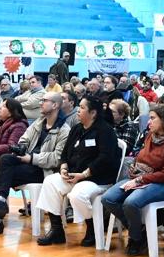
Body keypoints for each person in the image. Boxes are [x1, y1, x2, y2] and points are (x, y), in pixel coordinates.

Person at [0, 92, 71, 235]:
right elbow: (23, 139)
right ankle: (0, 203)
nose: (40, 103)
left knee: (1, 174)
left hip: (45, 171)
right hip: (28, 163)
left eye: (44, 100)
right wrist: (21, 148)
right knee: (5, 160)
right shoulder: (39, 122)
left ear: (55, 105)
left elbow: (56, 158)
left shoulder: (64, 130)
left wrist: (31, 158)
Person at [35, 96, 120, 246]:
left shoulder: (105, 131)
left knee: (77, 194)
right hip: (74, 175)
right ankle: (57, 231)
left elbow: (106, 159)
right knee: (50, 182)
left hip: (97, 179)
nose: (78, 111)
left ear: (93, 113)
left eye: (81, 108)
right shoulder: (76, 128)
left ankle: (92, 228)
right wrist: (63, 167)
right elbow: (65, 153)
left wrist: (85, 174)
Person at [101, 104, 164, 256]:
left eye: (153, 118)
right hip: (138, 178)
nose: (149, 122)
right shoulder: (149, 136)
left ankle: (135, 239)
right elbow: (141, 157)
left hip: (160, 184)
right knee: (108, 198)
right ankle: (139, 230)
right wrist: (134, 166)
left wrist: (140, 179)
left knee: (130, 203)